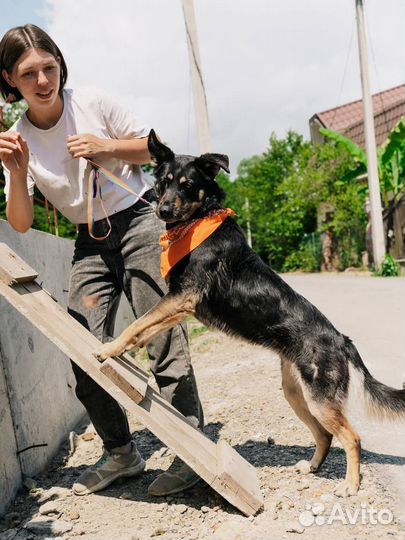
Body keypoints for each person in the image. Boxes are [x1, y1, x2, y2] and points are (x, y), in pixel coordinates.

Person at [0, 24, 204, 497]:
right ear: (10, 80)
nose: (43, 80)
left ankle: (190, 446)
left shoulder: (91, 102)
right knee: (82, 345)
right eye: (29, 74)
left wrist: (106, 147)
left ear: (59, 63)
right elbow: (23, 222)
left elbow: (158, 152)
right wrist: (14, 172)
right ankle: (121, 453)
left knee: (161, 332)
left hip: (139, 220)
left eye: (49, 67)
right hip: (89, 239)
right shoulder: (15, 139)